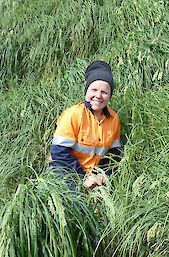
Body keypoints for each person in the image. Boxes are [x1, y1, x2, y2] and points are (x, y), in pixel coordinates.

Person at [50, 60, 121, 190]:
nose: (98, 96)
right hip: (67, 172)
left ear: (110, 96)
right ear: (86, 91)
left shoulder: (114, 119)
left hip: (95, 175)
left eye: (104, 92)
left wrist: (104, 176)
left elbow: (114, 155)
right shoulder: (73, 115)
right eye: (94, 90)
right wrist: (83, 178)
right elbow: (59, 155)